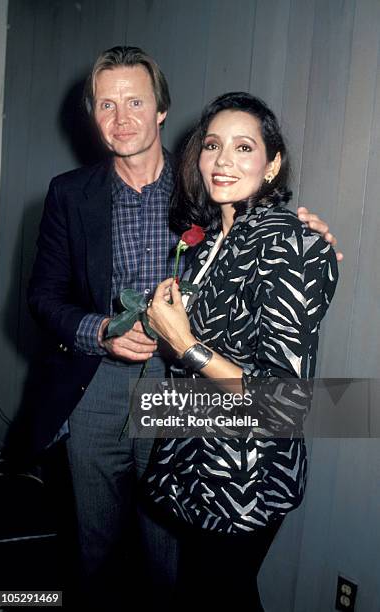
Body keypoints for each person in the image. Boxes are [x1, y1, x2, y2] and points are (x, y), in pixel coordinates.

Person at [11, 45, 339, 608]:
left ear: (161, 109)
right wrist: (100, 332)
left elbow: (267, 234)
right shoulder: (71, 193)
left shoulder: (202, 191)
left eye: (135, 101)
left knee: (175, 553)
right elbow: (43, 298)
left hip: (186, 391)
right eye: (106, 105)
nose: (122, 118)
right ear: (92, 115)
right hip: (99, 385)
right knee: (96, 546)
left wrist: (307, 228)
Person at [145, 91, 338, 609]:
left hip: (243, 479)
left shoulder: (289, 242)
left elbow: (283, 403)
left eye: (244, 147)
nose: (223, 160)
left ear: (272, 164)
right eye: (212, 145)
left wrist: (183, 342)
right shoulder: (213, 241)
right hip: (198, 462)